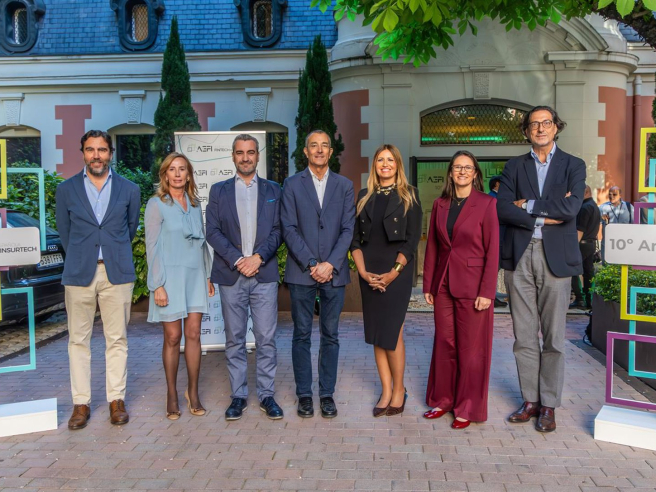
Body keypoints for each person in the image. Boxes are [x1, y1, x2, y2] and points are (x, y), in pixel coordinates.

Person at [497, 105, 586, 433]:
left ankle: (548, 404)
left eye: (546, 122)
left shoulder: (573, 165)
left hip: (555, 258)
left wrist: (529, 205)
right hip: (519, 255)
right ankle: (530, 400)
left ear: (555, 127)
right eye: (534, 124)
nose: (540, 128)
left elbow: (571, 208)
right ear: (526, 131)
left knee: (554, 337)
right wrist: (547, 215)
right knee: (523, 336)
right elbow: (502, 208)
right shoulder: (514, 166)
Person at [55, 130, 140, 430]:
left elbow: (129, 229)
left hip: (116, 272)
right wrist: (84, 256)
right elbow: (65, 232)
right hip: (79, 272)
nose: (96, 155)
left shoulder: (130, 189)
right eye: (90, 150)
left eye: (102, 150)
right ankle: (81, 403)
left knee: (117, 339)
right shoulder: (66, 190)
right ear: (83, 153)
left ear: (110, 154)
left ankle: (116, 400)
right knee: (78, 340)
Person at [206, 134, 283, 421]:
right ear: (233, 156)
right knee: (235, 339)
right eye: (240, 152)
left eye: (251, 152)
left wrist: (258, 258)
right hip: (232, 274)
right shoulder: (219, 191)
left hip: (264, 273)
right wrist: (239, 260)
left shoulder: (274, 189)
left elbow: (279, 229)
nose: (246, 157)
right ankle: (238, 396)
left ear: (258, 156)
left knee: (266, 338)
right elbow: (212, 231)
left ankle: (267, 395)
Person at [281, 129, 355, 419]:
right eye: (314, 145)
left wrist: (330, 264)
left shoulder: (344, 185)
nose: (320, 150)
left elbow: (348, 229)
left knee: (330, 335)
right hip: (302, 272)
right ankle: (304, 395)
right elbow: (288, 228)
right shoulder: (291, 184)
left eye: (325, 145)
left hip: (334, 273)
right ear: (306, 151)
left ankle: (326, 394)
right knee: (301, 335)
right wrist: (312, 262)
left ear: (331, 151)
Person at [422, 151, 499, 429]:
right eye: (458, 167)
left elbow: (493, 250)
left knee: (471, 349)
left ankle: (467, 407)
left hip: (473, 286)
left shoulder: (487, 203)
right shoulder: (440, 204)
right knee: (445, 343)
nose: (462, 171)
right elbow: (433, 245)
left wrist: (487, 291)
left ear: (476, 173)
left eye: (468, 167)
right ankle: (443, 400)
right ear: (451, 172)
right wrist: (429, 284)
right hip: (443, 284)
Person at [350, 144, 422, 417]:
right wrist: (363, 272)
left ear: (397, 164)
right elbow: (355, 240)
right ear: (375, 165)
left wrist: (393, 273)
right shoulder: (364, 195)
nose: (385, 164)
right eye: (380, 159)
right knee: (377, 335)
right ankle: (386, 390)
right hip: (369, 271)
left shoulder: (410, 194)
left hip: (397, 272)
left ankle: (399, 389)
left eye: (390, 159)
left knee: (392, 333)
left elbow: (411, 240)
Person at [144, 152, 214, 420]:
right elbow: (152, 247)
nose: (177, 174)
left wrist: (207, 275)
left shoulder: (195, 204)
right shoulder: (156, 204)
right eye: (172, 169)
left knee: (194, 334)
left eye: (182, 169)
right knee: (173, 337)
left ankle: (192, 392)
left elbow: (202, 243)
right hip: (169, 279)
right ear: (165, 174)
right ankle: (172, 394)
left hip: (195, 276)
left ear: (188, 175)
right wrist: (157, 285)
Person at [569, 185, 600, 310]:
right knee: (588, 273)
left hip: (582, 244)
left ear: (585, 192)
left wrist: (572, 246)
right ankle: (589, 300)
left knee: (572, 271)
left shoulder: (584, 207)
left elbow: (580, 230)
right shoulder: (595, 206)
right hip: (591, 244)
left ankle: (580, 299)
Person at [599, 186, 633, 262]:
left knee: (623, 264)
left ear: (620, 195)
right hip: (608, 243)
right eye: (610, 194)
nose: (611, 196)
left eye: (614, 194)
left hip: (624, 243)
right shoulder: (603, 207)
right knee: (607, 266)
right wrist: (601, 218)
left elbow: (635, 224)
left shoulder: (629, 207)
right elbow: (594, 221)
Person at [488, 175, 507, 308]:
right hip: (498, 237)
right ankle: (491, 296)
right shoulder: (493, 198)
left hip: (500, 237)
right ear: (497, 184)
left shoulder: (494, 197)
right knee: (494, 268)